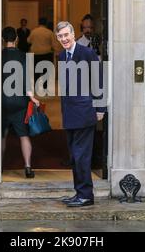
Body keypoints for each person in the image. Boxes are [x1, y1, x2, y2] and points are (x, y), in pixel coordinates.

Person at [56, 21, 106, 207]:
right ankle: (79, 193)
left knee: (81, 156)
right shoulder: (62, 56)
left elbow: (99, 80)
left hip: (85, 112)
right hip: (69, 113)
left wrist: (100, 108)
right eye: (60, 36)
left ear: (73, 33)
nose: (64, 39)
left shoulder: (87, 53)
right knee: (74, 157)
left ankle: (86, 195)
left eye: (66, 35)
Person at [2, 26, 39, 178]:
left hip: (2, 100)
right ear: (16, 39)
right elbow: (27, 80)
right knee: (24, 136)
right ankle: (28, 167)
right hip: (19, 101)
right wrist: (32, 97)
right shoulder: (23, 56)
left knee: (2, 136)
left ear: (3, 40)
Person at [27, 17, 61, 86]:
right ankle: (45, 87)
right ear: (46, 23)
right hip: (47, 54)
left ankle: (36, 87)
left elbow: (28, 41)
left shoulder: (34, 31)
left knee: (36, 72)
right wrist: (58, 51)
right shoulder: (49, 32)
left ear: (39, 23)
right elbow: (54, 44)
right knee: (46, 72)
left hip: (36, 54)